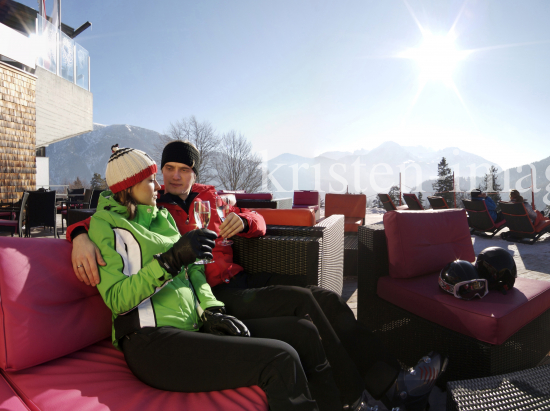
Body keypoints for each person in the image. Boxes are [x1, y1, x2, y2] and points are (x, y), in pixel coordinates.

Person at [69, 140, 442, 410]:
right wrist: (77, 236)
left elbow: (259, 221)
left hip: (234, 280)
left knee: (324, 298)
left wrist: (245, 220)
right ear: (155, 175)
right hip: (215, 293)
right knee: (304, 305)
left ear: (194, 173)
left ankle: (388, 377)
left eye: (184, 169)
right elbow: (106, 220)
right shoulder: (154, 206)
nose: (175, 177)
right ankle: (369, 391)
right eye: (168, 170)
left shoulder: (210, 198)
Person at [90, 146, 341, 411]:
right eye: (152, 180)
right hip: (151, 342)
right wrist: (170, 260)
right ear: (128, 186)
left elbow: (194, 271)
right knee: (280, 359)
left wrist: (211, 311)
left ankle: (342, 404)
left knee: (301, 332)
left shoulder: (162, 217)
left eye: (156, 179)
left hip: (194, 327)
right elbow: (117, 299)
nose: (158, 187)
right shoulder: (106, 224)